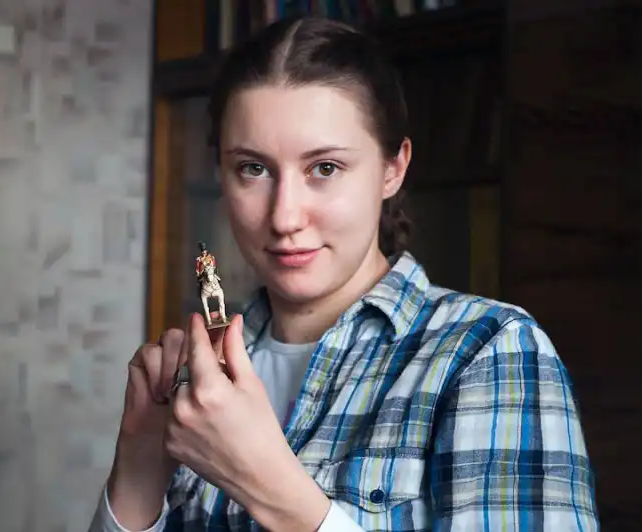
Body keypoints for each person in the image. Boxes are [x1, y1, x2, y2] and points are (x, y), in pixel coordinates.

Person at [90, 16, 599, 532]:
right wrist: (139, 461)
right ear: (221, 174)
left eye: (325, 168)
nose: (285, 217)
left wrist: (270, 488)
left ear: (393, 168)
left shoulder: (488, 351)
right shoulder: (202, 376)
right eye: (253, 168)